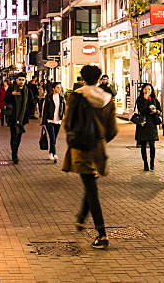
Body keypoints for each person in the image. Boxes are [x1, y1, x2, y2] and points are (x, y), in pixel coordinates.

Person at [62, 64, 117, 250]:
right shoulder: (108, 98)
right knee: (90, 183)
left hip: (81, 148)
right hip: (98, 148)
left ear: (82, 77)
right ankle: (80, 218)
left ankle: (102, 234)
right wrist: (101, 140)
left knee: (91, 189)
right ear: (99, 78)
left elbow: (67, 122)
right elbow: (113, 129)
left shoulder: (76, 96)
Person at [5, 73, 33, 163]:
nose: (21, 82)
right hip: (13, 117)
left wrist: (28, 115)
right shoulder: (11, 89)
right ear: (16, 80)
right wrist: (12, 94)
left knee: (19, 137)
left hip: (22, 118)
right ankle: (14, 155)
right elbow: (5, 99)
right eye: (20, 80)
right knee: (14, 136)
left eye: (23, 80)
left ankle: (15, 151)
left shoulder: (28, 92)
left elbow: (32, 103)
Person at [132, 83, 161, 171]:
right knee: (143, 145)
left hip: (152, 124)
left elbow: (160, 111)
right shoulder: (140, 99)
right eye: (145, 89)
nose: (147, 91)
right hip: (143, 124)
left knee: (152, 145)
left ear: (151, 90)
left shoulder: (155, 100)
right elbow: (142, 110)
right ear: (142, 90)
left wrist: (155, 111)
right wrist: (145, 99)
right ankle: (145, 163)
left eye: (149, 89)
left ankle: (152, 162)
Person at [42, 82, 65, 162]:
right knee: (52, 137)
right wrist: (43, 122)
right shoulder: (48, 97)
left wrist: (63, 118)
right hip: (50, 120)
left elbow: (63, 109)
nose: (59, 89)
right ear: (53, 88)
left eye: (60, 87)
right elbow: (45, 110)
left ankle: (51, 153)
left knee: (54, 137)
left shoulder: (61, 98)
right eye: (58, 87)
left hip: (58, 120)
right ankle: (54, 153)